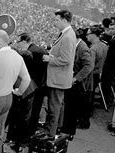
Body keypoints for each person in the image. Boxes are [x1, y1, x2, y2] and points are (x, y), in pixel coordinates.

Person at [40, 10, 76, 140]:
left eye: (57, 20)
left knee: (53, 108)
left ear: (65, 20)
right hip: (59, 78)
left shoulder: (67, 36)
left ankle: (49, 134)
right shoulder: (66, 34)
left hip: (58, 79)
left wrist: (50, 59)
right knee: (57, 106)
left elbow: (66, 59)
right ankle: (54, 131)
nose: (55, 22)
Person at [61, 27, 94, 139]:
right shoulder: (77, 45)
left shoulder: (82, 48)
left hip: (77, 84)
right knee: (69, 107)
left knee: (71, 108)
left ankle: (68, 131)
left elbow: (89, 65)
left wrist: (76, 78)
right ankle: (68, 131)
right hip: (72, 81)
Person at [15, 32, 49, 138]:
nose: (17, 44)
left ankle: (25, 137)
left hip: (33, 86)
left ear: (25, 41)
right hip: (42, 85)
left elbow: (26, 72)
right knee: (35, 112)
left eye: (18, 42)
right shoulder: (40, 49)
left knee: (29, 113)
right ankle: (31, 133)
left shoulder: (30, 52)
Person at [82, 25, 108, 128]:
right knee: (90, 98)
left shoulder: (92, 49)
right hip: (97, 74)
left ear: (93, 35)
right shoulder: (104, 46)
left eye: (88, 34)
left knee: (86, 99)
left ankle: (84, 121)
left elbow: (89, 66)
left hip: (90, 76)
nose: (86, 36)